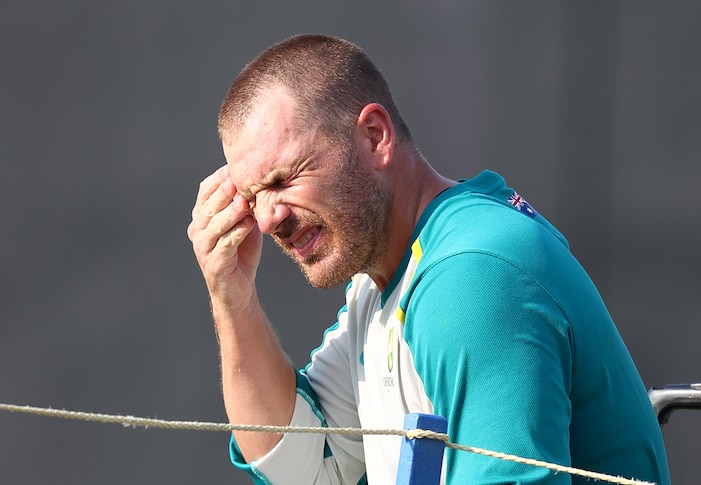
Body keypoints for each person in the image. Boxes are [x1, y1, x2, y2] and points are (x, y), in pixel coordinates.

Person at [188, 33, 670, 485]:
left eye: (282, 179)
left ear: (375, 137)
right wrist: (232, 296)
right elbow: (306, 467)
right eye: (252, 197)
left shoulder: (469, 275)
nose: (268, 220)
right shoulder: (388, 279)